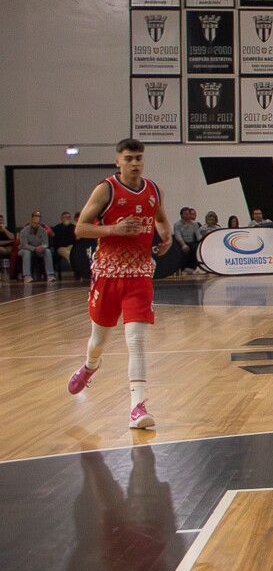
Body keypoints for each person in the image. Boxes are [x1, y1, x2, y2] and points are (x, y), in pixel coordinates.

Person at [68, 139, 172, 430]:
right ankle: (90, 365)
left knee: (136, 341)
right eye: (129, 158)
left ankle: (138, 407)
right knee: (99, 341)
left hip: (139, 274)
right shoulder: (106, 189)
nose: (135, 163)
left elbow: (161, 219)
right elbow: (80, 229)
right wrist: (115, 229)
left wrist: (166, 236)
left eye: (139, 158)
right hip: (107, 274)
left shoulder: (154, 190)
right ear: (118, 161)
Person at [14, 211, 55, 281]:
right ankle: (27, 276)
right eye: (34, 222)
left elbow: (46, 243)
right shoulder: (24, 231)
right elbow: (23, 244)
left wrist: (43, 247)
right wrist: (34, 248)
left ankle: (50, 275)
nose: (36, 224)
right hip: (25, 249)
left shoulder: (43, 230)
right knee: (27, 252)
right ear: (31, 221)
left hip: (38, 249)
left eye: (37, 223)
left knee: (47, 251)